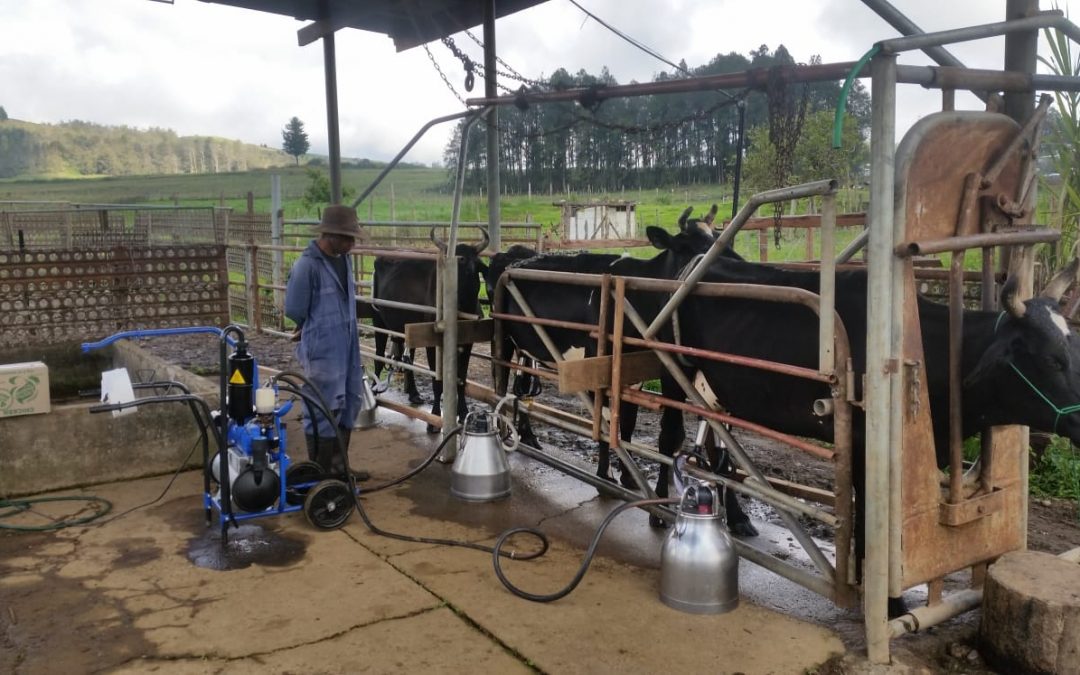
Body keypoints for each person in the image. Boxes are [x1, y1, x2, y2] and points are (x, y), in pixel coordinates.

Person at [284, 204, 368, 480]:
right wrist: (315, 327)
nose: (351, 243)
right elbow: (294, 308)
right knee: (322, 405)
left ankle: (339, 466)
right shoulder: (307, 265)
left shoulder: (342, 260)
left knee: (350, 400)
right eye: (347, 238)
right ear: (329, 235)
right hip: (322, 346)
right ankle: (319, 474)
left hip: (348, 344)